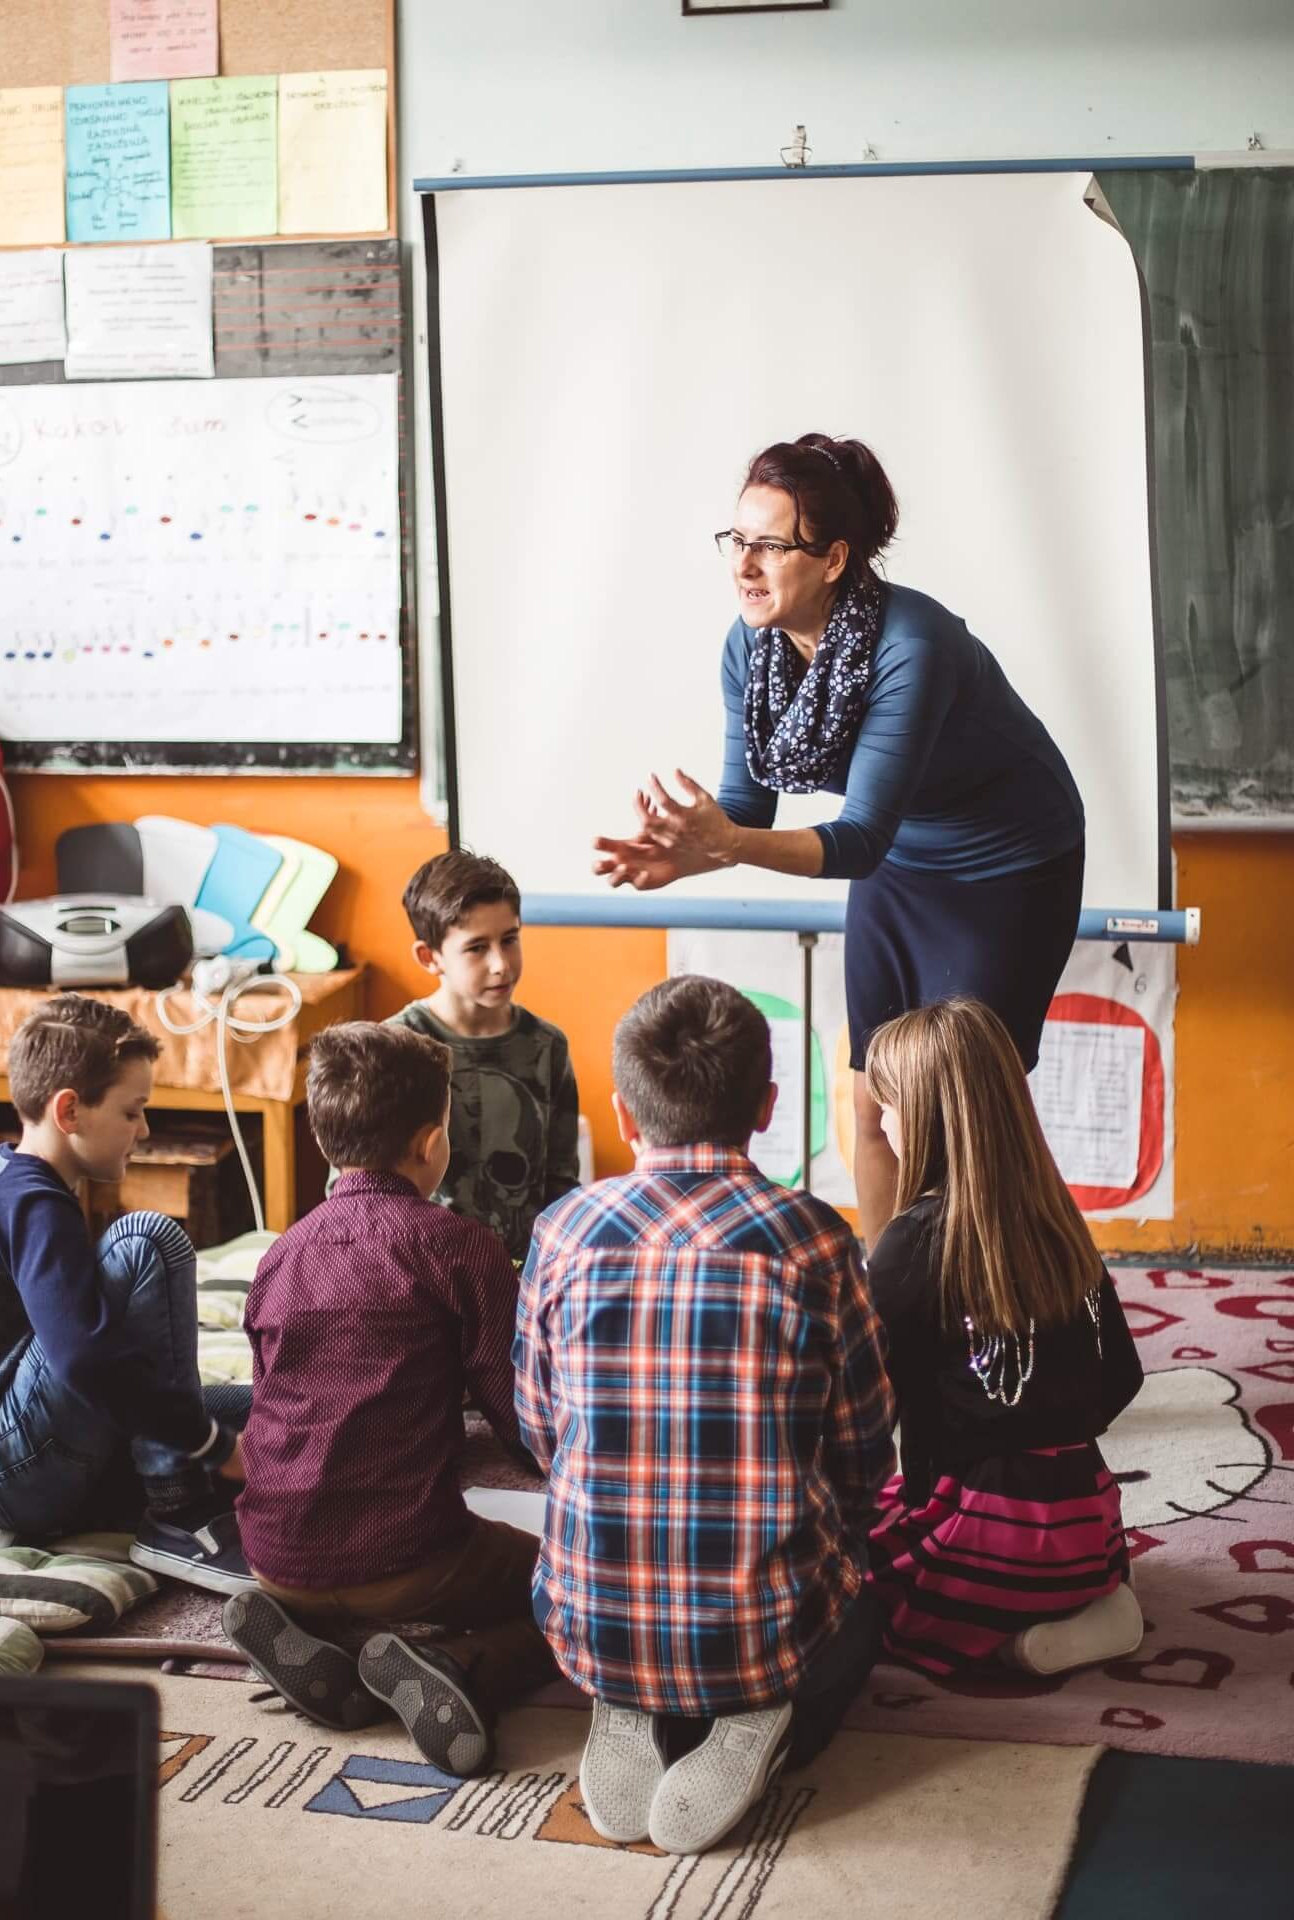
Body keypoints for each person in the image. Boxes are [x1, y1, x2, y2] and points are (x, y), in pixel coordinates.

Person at [591, 434, 1086, 1251]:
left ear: (832, 559)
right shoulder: (750, 646)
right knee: (869, 1100)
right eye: (737, 540)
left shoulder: (911, 646)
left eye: (770, 545)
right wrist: (697, 848)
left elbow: (856, 839)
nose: (744, 565)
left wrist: (727, 843)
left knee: (964, 1118)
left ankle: (1020, 1299)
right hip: (902, 865)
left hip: (1008, 866)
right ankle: (888, 1306)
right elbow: (749, 804)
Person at [515, 976, 895, 1856]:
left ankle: (626, 1693)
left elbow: (538, 1429)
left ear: (620, 1111)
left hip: (589, 1619)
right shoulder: (815, 1240)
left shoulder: (563, 1231)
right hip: (766, 1629)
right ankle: (759, 1714)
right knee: (875, 1597)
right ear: (767, 1106)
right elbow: (865, 1453)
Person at [227, 1021, 557, 1777]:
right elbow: (519, 1415)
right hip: (409, 1558)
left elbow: (272, 1400)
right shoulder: (458, 1246)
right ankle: (457, 1666)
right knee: (566, 1588)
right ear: (432, 1142)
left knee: (348, 1582)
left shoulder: (280, 1255)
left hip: (276, 1555)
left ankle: (334, 1658)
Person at [0, 994, 255, 1594]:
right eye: (132, 1111)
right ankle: (181, 1516)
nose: (144, 1130)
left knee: (268, 1411)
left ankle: (175, 1480)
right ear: (70, 1110)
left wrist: (210, 1429)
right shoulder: (29, 1200)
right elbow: (85, 1356)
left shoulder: (33, 1185)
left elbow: (107, 1350)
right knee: (147, 1239)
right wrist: (207, 1445)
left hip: (21, 1449)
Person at [862, 997, 1145, 1678]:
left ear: (926, 1116)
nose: (881, 1122)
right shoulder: (1061, 1224)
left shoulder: (909, 1244)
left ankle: (1007, 1636)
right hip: (1084, 1524)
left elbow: (868, 1406)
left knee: (848, 1584)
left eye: (889, 1105)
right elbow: (1122, 1379)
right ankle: (1088, 1616)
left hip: (978, 1532)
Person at [381, 848, 581, 1261]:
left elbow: (562, 1184)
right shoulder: (394, 1046)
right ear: (429, 957)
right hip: (425, 1277)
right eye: (476, 948)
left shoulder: (548, 1047)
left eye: (510, 939)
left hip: (524, 1282)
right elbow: (356, 1191)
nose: (501, 965)